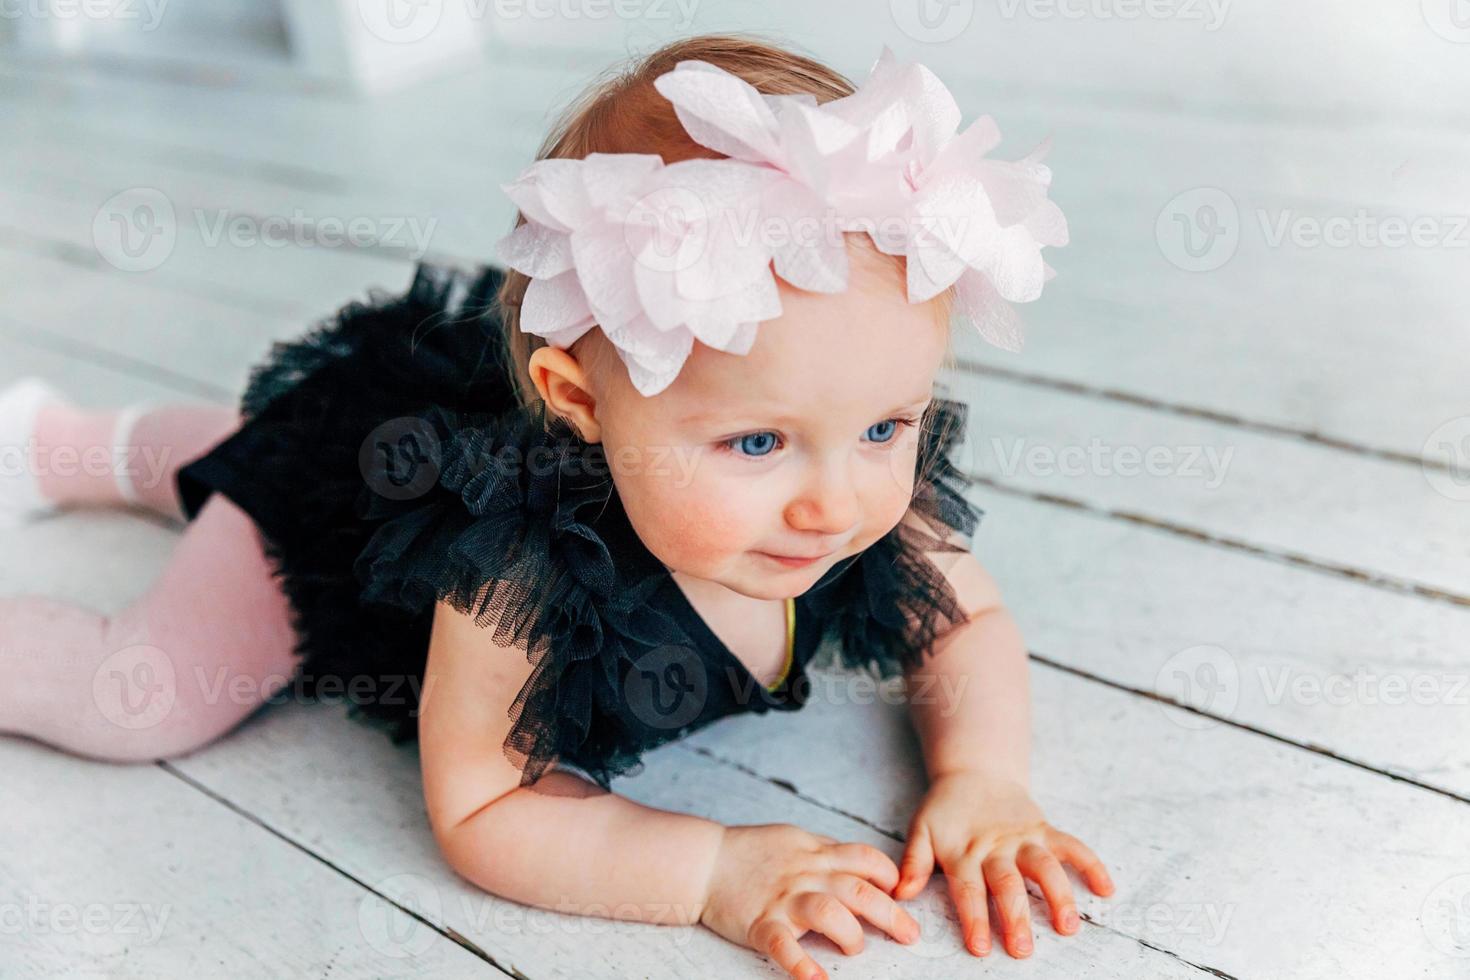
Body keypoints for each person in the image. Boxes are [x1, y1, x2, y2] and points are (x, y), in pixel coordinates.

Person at [0, 33, 1112, 979]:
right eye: (758, 441)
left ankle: (81, 438)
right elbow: (481, 808)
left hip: (385, 444)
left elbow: (971, 624)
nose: (838, 500)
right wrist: (708, 869)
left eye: (886, 424)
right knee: (139, 689)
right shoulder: (513, 569)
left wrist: (983, 776)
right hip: (328, 525)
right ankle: (83, 448)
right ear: (579, 402)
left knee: (272, 451)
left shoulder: (870, 502)